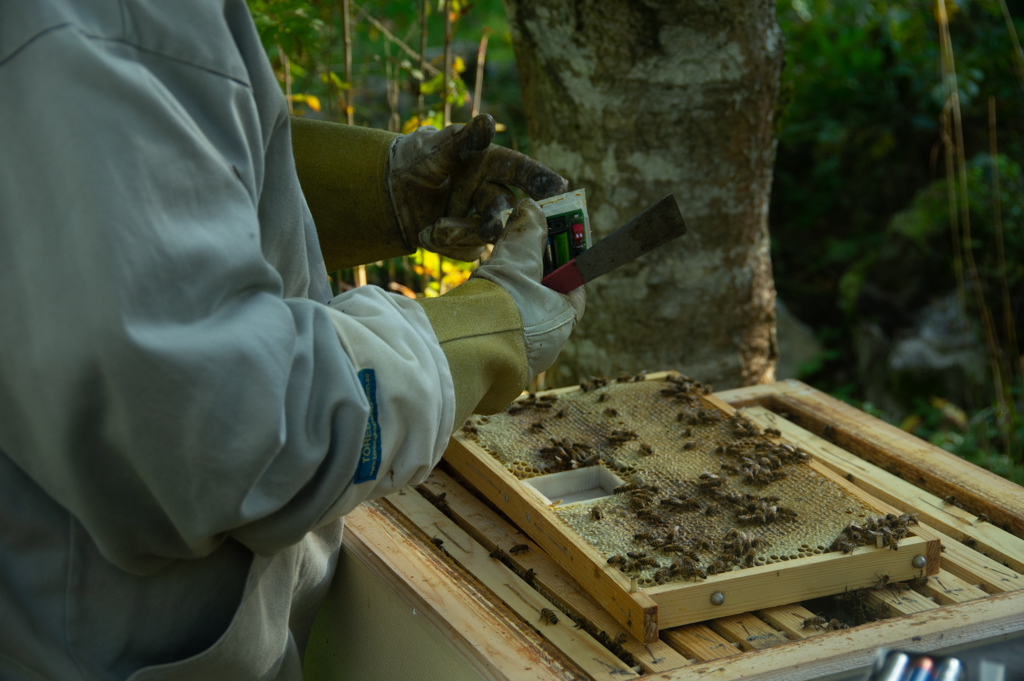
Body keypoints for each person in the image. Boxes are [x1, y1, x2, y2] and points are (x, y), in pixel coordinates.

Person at [0, 1, 585, 679]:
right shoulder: (97, 19)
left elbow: (129, 191)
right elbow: (228, 425)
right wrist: (489, 327)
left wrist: (379, 190)